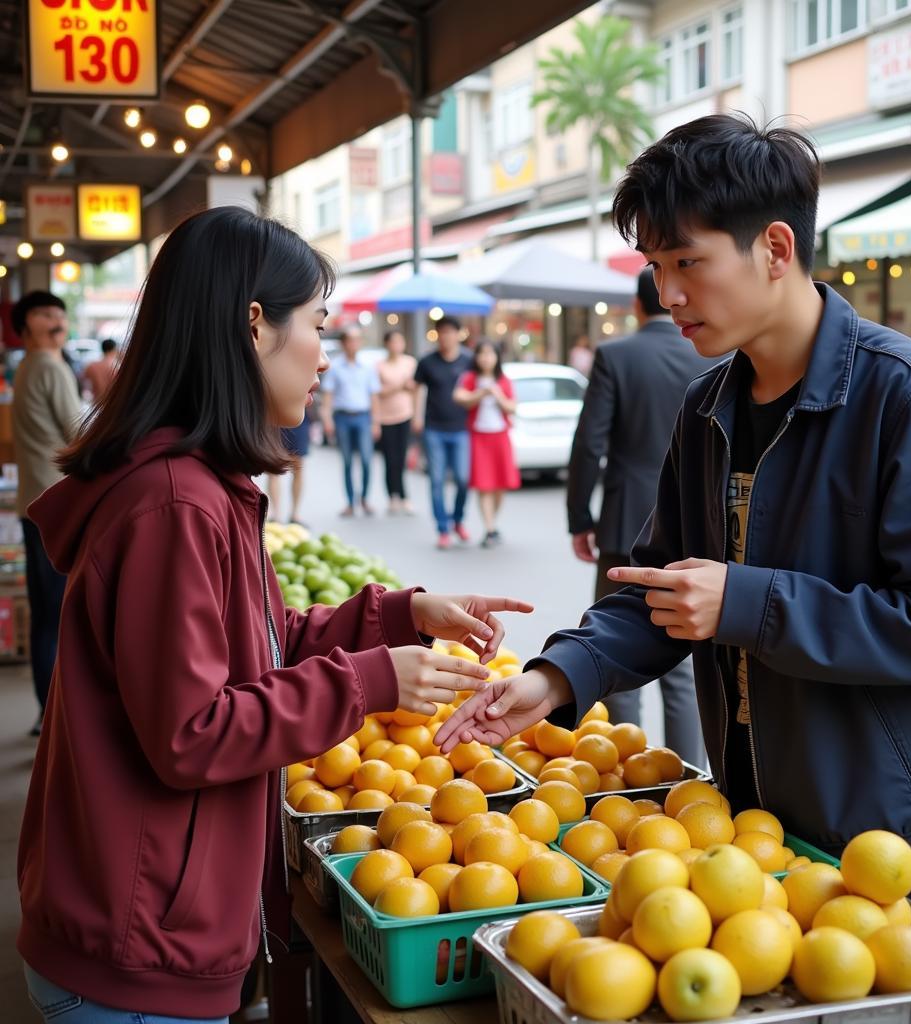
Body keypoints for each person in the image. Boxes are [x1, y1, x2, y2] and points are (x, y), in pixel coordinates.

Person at [438, 114, 911, 930]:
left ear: (775, 248)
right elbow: (657, 590)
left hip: (894, 849)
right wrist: (558, 679)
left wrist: (748, 602)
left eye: (688, 263)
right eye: (657, 266)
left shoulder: (909, 398)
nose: (667, 294)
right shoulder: (706, 406)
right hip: (748, 835)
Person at [16, 206, 532, 1023]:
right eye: (318, 326)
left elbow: (258, 642)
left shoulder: (202, 486)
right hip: (133, 956)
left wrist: (402, 615)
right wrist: (372, 680)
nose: (326, 358)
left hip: (142, 931)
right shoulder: (175, 503)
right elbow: (192, 730)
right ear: (254, 325)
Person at [566, 268, 716, 768]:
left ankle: (623, 766)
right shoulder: (710, 356)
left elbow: (590, 443)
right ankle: (681, 773)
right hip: (696, 523)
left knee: (618, 650)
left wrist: (579, 516)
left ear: (635, 306)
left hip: (626, 515)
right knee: (680, 664)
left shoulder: (617, 355)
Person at [11, 291, 81, 736]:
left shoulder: (25, 366)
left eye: (58, 312)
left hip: (33, 503)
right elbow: (79, 434)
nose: (55, 319)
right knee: (59, 614)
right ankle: (54, 716)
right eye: (43, 314)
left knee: (45, 611)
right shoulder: (49, 366)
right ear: (25, 325)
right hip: (55, 505)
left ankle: (45, 712)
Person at [414, 315, 473, 549]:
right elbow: (418, 390)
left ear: (458, 334)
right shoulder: (428, 361)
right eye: (442, 332)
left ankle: (457, 519)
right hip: (434, 428)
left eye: (450, 332)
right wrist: (417, 417)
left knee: (462, 479)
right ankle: (442, 528)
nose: (446, 336)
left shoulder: (469, 360)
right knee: (436, 480)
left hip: (462, 428)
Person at [454, 340, 520, 547]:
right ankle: (490, 529)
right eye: (482, 354)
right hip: (478, 437)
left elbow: (512, 407)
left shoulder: (504, 381)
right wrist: (481, 393)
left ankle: (493, 524)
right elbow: (459, 398)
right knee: (484, 485)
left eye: (490, 354)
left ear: (497, 357)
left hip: (500, 436)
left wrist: (497, 394)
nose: (486, 358)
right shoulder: (470, 378)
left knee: (500, 484)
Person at [320, 327, 380, 516]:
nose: (353, 344)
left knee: (366, 460)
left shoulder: (368, 367)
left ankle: (364, 498)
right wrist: (327, 419)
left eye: (357, 340)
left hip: (363, 417)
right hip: (343, 417)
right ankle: (350, 501)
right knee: (346, 461)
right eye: (350, 340)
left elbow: (374, 396)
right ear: (344, 344)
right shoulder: (335, 367)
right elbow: (328, 396)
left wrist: (376, 422)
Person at [376, 329, 417, 515]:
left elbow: (415, 389)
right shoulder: (380, 366)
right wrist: (399, 386)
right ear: (387, 344)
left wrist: (417, 415)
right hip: (386, 417)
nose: (397, 346)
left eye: (400, 342)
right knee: (389, 459)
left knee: (402, 458)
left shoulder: (410, 363)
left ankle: (404, 495)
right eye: (393, 342)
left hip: (405, 415)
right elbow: (378, 393)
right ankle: (392, 495)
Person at [267, 408, 311, 524]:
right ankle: (276, 514)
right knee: (273, 469)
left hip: (298, 418)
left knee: (298, 468)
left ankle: (295, 514)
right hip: (274, 417)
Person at [82, 338, 119, 403]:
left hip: (96, 402)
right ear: (114, 350)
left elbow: (83, 382)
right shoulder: (117, 367)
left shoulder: (92, 366)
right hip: (113, 402)